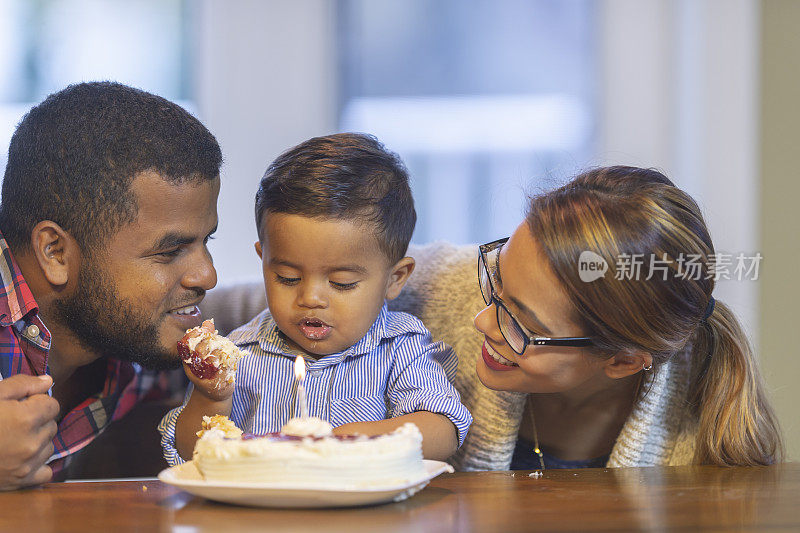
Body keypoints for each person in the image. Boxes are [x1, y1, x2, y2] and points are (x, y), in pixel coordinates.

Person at [158, 133, 472, 464]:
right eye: (287, 278)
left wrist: (339, 442)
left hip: (367, 513)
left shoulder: (399, 348)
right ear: (263, 261)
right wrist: (210, 397)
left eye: (342, 282)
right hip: (261, 510)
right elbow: (190, 452)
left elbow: (442, 429)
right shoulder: (242, 355)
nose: (310, 298)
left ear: (394, 279)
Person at [453, 165, 783, 469]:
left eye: (522, 325)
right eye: (497, 277)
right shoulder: (421, 286)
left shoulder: (698, 451)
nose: (481, 320)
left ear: (624, 361)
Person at [0, 81, 222, 490]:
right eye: (170, 251)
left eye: (206, 241)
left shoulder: (131, 338)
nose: (206, 276)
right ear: (55, 252)